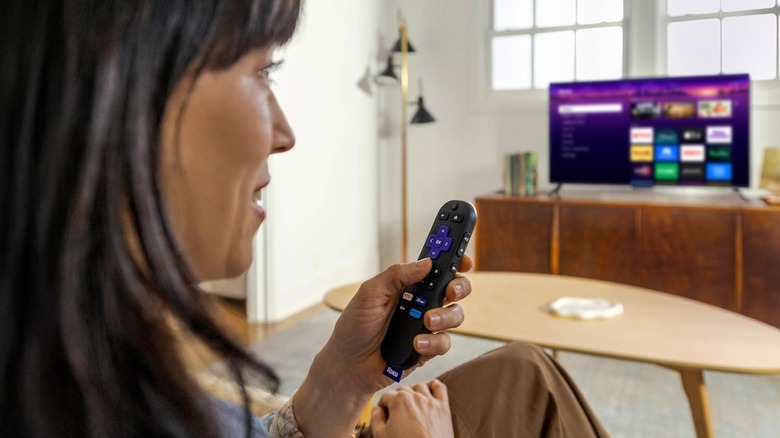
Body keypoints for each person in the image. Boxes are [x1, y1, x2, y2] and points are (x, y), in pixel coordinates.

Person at [0, 1, 608, 437]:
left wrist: (341, 378)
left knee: (525, 367)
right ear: (120, 96)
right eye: (261, 71)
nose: (285, 134)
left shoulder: (90, 350)